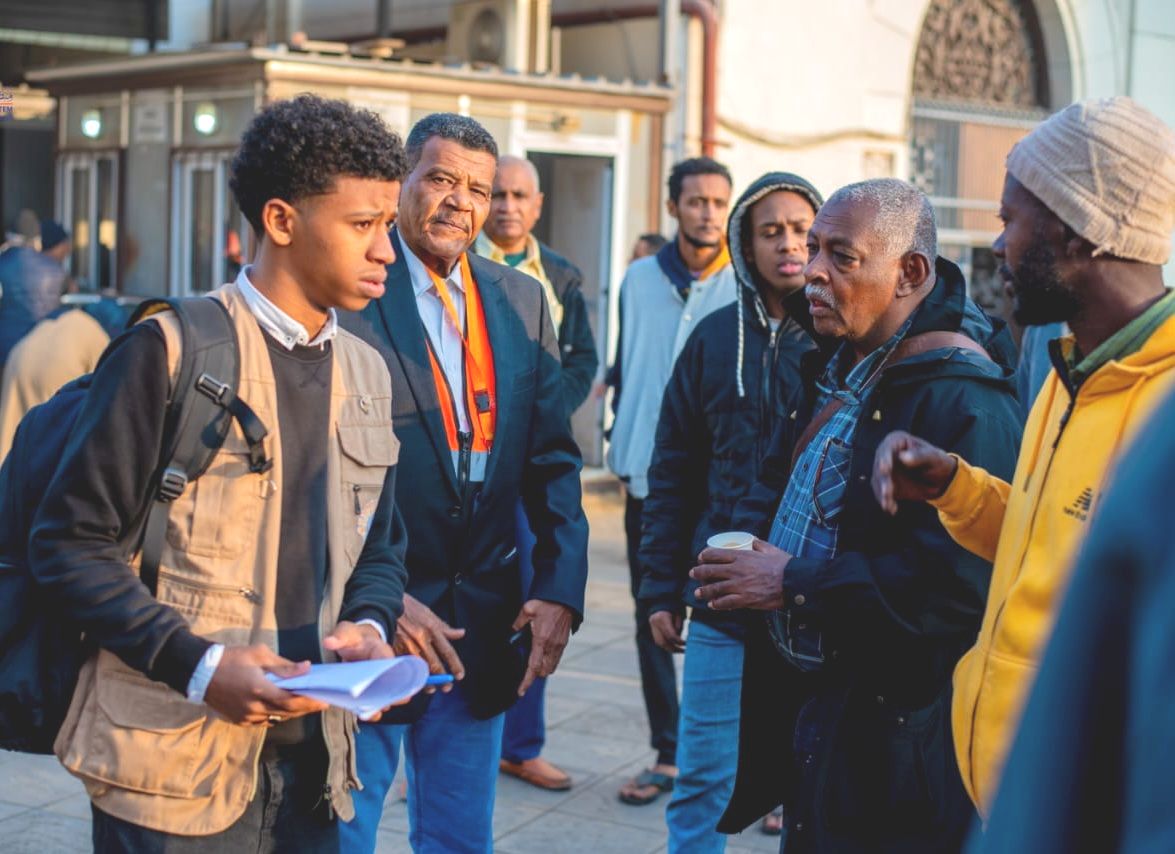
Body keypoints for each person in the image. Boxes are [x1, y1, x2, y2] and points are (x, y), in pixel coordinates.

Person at [28, 94, 411, 851]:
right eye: (363, 225)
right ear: (281, 221)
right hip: (169, 769)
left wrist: (370, 626)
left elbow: (380, 545)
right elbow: (68, 545)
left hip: (314, 769)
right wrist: (201, 667)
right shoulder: (168, 352)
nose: (386, 252)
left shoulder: (368, 371)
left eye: (388, 226)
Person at [693, 178, 1023, 851]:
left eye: (840, 256)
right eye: (814, 248)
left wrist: (791, 583)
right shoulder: (841, 358)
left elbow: (954, 595)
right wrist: (742, 547)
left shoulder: (966, 401)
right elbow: (779, 474)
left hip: (897, 751)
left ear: (910, 273)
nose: (811, 270)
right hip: (821, 716)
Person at [870, 96, 1175, 820]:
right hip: (1008, 790)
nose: (997, 244)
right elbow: (1049, 540)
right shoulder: (1070, 370)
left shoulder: (1161, 410)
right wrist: (954, 486)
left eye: (1010, 219)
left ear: (1074, 231)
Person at [339, 113, 590, 854]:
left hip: (481, 620)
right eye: (441, 179)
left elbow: (552, 459)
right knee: (341, 834)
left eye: (477, 189)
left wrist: (560, 589)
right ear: (402, 182)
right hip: (375, 622)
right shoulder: (354, 290)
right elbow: (314, 475)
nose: (461, 202)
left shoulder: (519, 300)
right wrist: (377, 598)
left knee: (460, 839)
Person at [638, 172, 820, 848]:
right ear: (745, 245)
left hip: (807, 600)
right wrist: (659, 587)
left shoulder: (841, 342)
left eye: (801, 230)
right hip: (720, 598)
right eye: (770, 232)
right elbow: (672, 471)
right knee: (702, 781)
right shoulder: (713, 339)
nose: (788, 244)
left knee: (809, 786)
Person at [975, 386, 1175, 853]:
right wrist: (960, 492)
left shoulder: (1160, 400)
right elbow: (1039, 538)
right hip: (1004, 777)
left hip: (1059, 790)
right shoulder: (1062, 379)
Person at [608, 156, 737, 805]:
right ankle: (668, 751)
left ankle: (754, 770)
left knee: (737, 623)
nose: (707, 213)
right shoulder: (637, 278)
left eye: (717, 202)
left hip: (721, 485)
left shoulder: (744, 282)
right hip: (647, 480)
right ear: (673, 207)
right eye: (695, 201)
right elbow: (627, 365)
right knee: (651, 616)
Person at [474, 153, 598, 792]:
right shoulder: (454, 265)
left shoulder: (561, 277)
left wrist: (547, 412)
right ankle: (435, 736)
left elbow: (582, 360)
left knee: (534, 599)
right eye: (496, 194)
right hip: (465, 463)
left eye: (519, 195)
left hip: (530, 463)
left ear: (538, 205)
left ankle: (521, 746)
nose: (506, 206)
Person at [0, 296, 133, 458]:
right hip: (54, 368)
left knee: (11, 430)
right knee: (49, 444)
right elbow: (105, 390)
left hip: (18, 358)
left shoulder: (64, 319)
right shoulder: (97, 334)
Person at [0, 219, 71, 368]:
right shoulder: (55, 270)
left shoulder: (3, 262)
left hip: (5, 350)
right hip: (41, 350)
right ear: (37, 239)